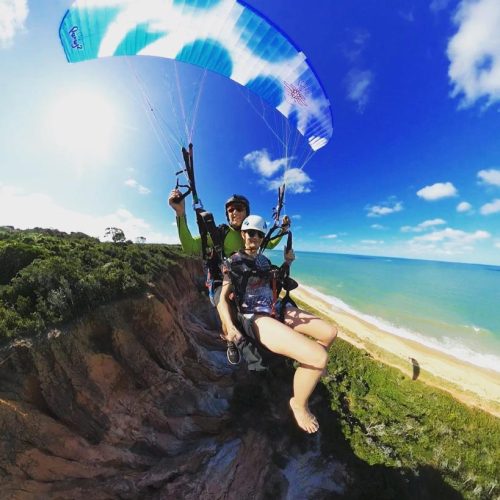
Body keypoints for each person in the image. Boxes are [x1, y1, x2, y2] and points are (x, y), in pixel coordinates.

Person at [218, 215, 337, 433]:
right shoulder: (233, 262)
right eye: (250, 233)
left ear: (263, 238)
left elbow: (275, 279)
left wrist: (288, 262)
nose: (254, 237)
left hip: (275, 308)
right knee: (318, 356)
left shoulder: (263, 261)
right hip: (255, 317)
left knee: (329, 332)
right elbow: (221, 300)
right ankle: (299, 404)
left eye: (259, 234)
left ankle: (310, 371)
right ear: (243, 235)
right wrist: (231, 326)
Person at [168, 189, 288, 364]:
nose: (234, 212)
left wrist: (283, 230)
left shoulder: (251, 234)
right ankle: (231, 340)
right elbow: (189, 246)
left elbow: (269, 243)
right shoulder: (220, 234)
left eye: (239, 208)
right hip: (222, 280)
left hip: (245, 281)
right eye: (230, 209)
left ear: (247, 213)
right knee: (223, 304)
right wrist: (180, 213)